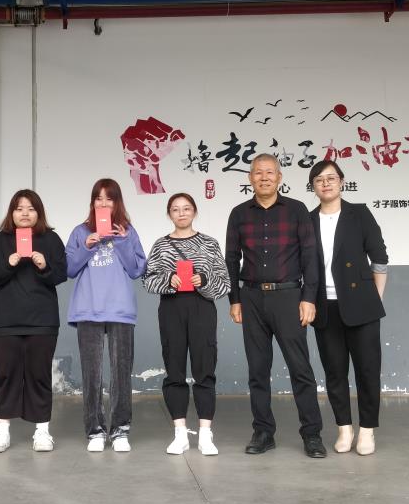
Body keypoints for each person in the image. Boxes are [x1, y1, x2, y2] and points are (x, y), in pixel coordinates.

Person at [225, 153, 327, 458]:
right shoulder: (238, 213)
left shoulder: (296, 210)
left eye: (270, 172)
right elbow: (232, 259)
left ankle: (312, 434)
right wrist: (234, 299)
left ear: (279, 177)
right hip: (252, 298)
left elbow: (310, 257)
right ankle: (263, 432)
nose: (264, 177)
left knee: (300, 368)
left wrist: (309, 298)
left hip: (289, 297)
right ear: (250, 178)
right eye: (258, 173)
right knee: (258, 370)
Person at [309, 160, 388, 456]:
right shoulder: (307, 220)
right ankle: (344, 428)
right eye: (319, 179)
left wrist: (375, 298)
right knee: (334, 371)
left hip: (362, 306)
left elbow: (379, 258)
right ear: (313, 187)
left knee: (367, 370)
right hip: (325, 307)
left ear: (341, 182)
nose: (326, 183)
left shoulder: (359, 214)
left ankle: (367, 430)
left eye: (331, 178)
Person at [0, 189, 67, 453]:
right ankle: (2, 430)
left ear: (38, 212)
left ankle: (42, 431)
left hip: (42, 320)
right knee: (7, 375)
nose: (25, 213)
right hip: (6, 321)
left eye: (30, 208)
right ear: (12, 213)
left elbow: (61, 274)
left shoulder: (50, 239)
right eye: (19, 208)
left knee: (39, 375)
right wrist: (9, 263)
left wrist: (44, 265)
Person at [143, 193, 230, 456]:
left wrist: (204, 280)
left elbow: (225, 282)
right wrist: (168, 279)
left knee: (205, 369)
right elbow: (148, 280)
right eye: (175, 209)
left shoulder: (209, 243)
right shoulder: (161, 245)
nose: (181, 213)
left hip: (202, 308)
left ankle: (205, 434)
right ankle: (179, 434)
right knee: (174, 370)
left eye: (186, 208)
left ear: (195, 212)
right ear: (169, 214)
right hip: (172, 308)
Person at [66, 178, 146, 452]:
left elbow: (137, 270)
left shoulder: (128, 232)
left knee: (121, 372)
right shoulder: (80, 231)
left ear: (117, 202)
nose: (103, 203)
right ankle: (95, 432)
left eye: (109, 198)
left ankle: (120, 431)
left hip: (120, 310)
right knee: (91, 374)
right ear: (92, 202)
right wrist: (87, 246)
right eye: (98, 198)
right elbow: (69, 269)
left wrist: (121, 241)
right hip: (88, 309)